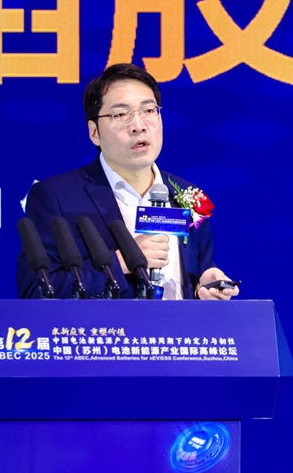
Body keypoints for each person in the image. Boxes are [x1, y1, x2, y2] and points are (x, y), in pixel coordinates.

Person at [16, 63, 239, 300]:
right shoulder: (56, 197)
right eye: (121, 115)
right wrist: (121, 263)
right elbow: (35, 291)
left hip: (178, 325)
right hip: (108, 325)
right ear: (94, 132)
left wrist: (204, 285)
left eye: (149, 110)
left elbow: (196, 272)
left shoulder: (187, 195)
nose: (139, 126)